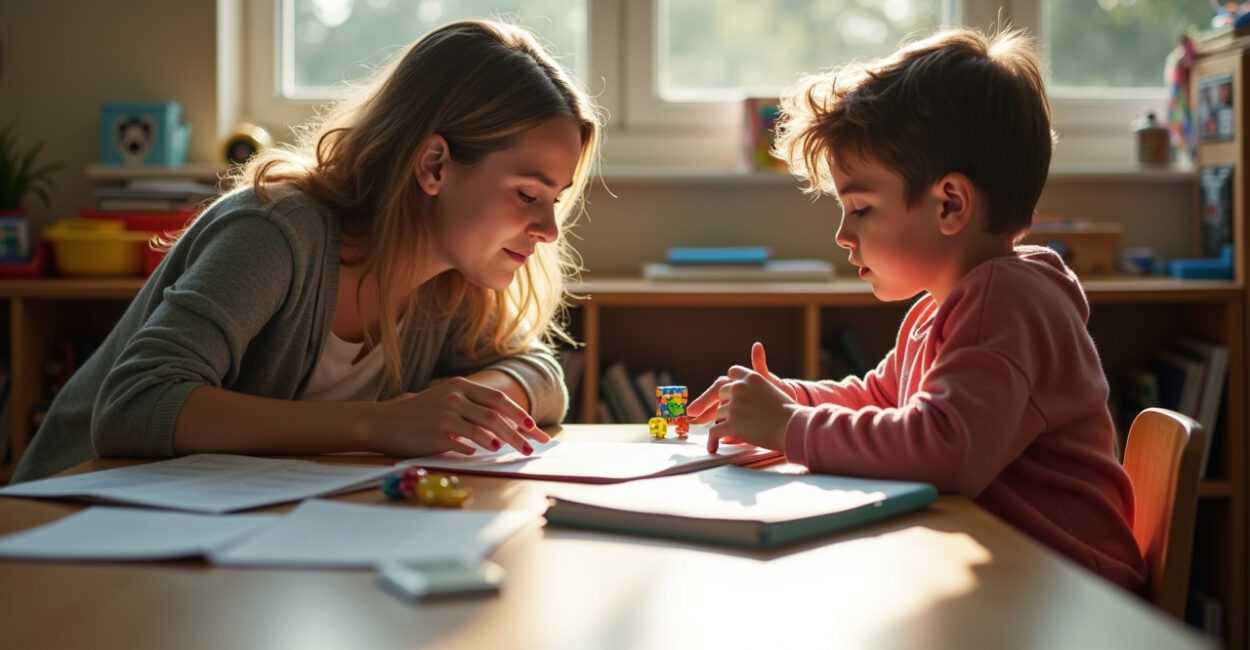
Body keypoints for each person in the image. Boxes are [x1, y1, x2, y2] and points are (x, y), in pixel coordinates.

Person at [13, 19, 602, 482]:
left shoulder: (453, 283)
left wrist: (464, 405)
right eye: (528, 193)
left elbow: (544, 374)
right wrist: (380, 424)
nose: (549, 228)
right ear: (434, 165)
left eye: (556, 197)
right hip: (66, 532)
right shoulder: (276, 232)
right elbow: (134, 405)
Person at [687, 26, 1146, 593]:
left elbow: (942, 448)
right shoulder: (951, 305)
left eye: (860, 209)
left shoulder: (1005, 302)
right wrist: (790, 398)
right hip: (1011, 578)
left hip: (1070, 594)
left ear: (949, 203)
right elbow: (881, 399)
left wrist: (786, 425)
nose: (841, 234)